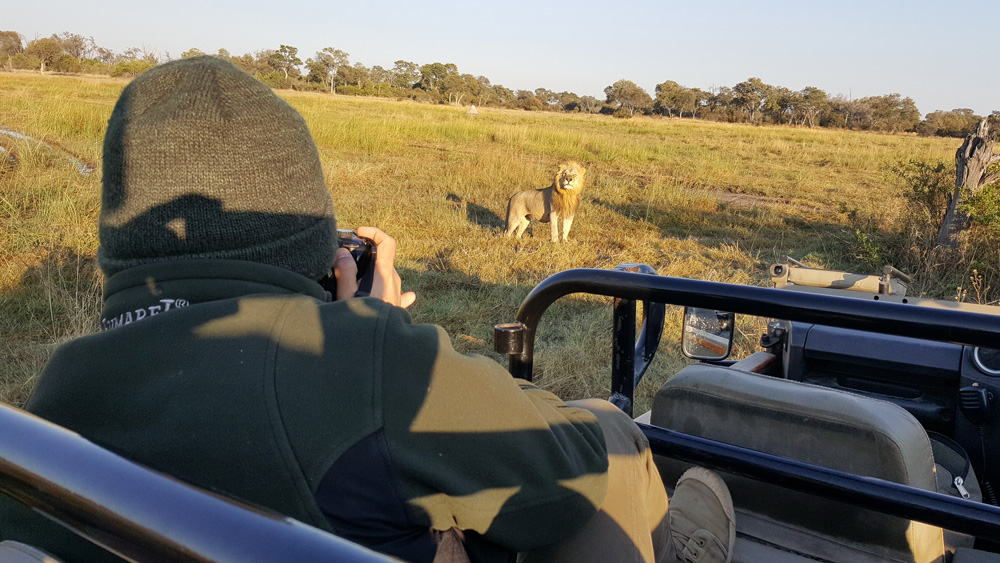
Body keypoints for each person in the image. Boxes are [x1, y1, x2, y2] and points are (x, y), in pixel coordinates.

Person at [0, 56, 735, 563]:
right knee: (609, 434)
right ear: (319, 248)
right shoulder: (357, 364)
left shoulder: (41, 415)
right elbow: (562, 470)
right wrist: (378, 334)